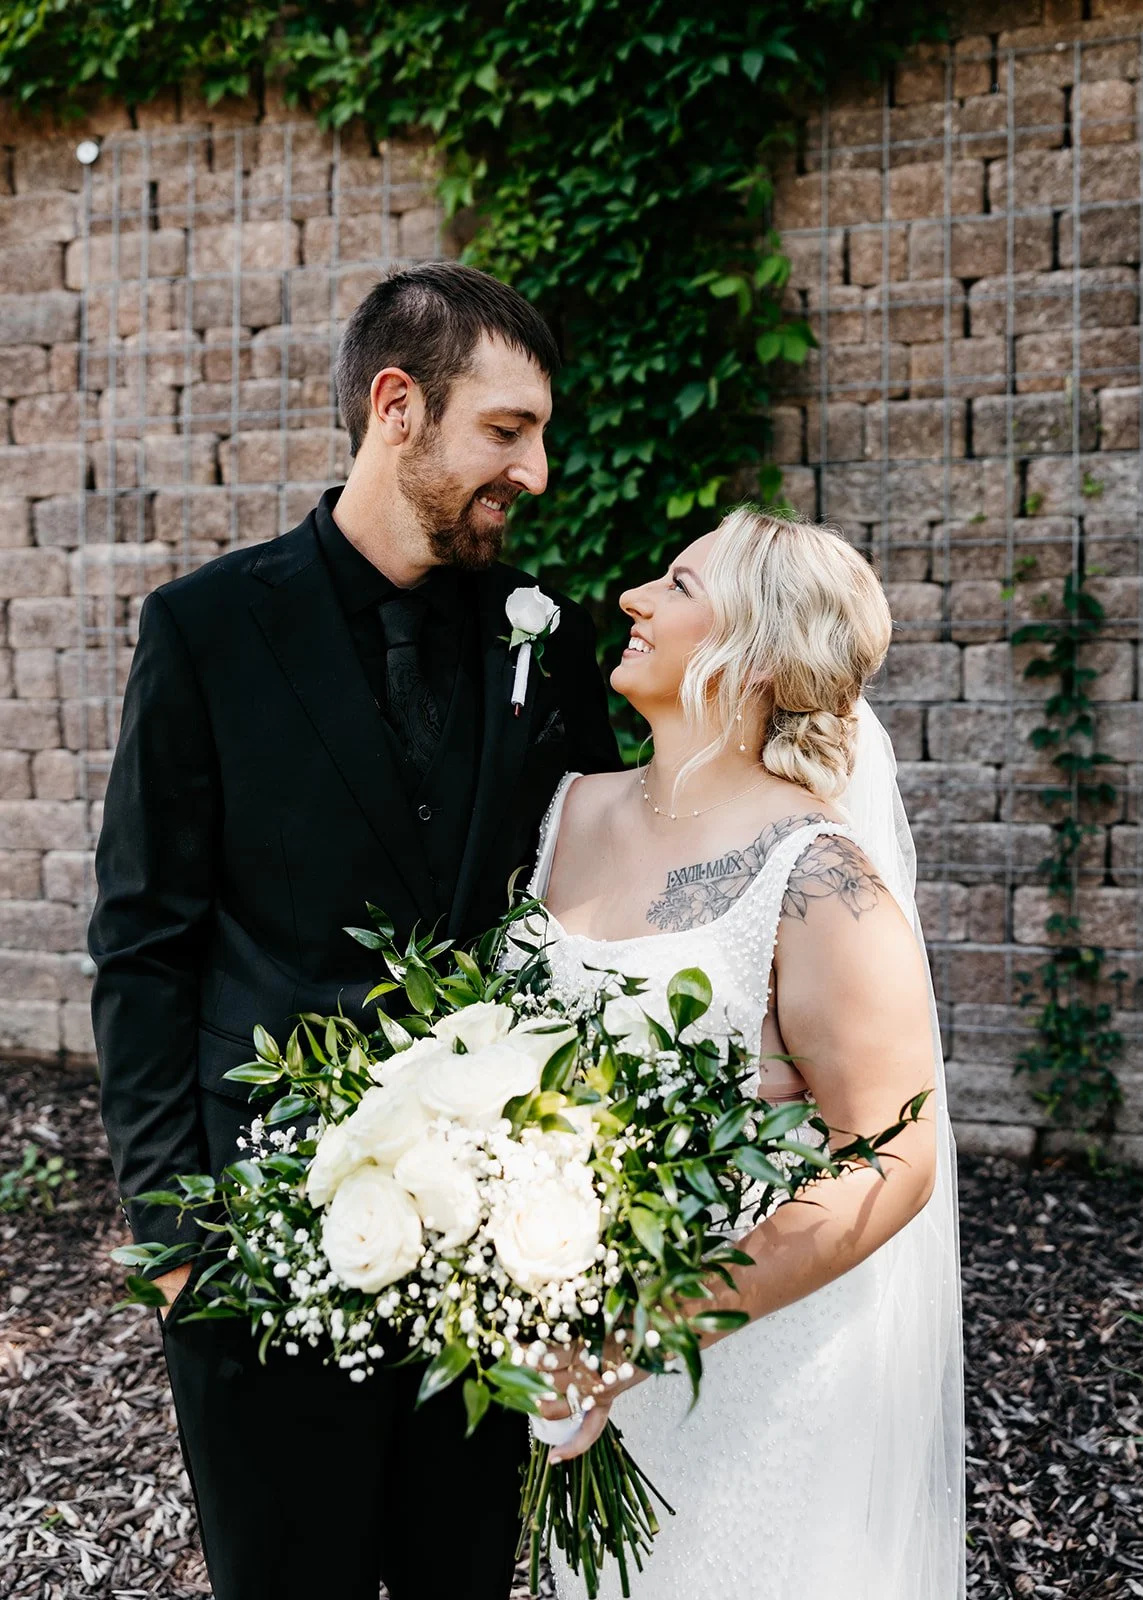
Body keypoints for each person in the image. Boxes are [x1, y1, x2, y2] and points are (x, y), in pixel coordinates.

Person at [88, 261, 621, 1600]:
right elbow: (145, 944)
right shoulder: (205, 632)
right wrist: (172, 1240)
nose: (537, 471)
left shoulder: (542, 648)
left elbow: (598, 919)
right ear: (398, 406)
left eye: (539, 435)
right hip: (261, 1246)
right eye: (507, 431)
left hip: (494, 1250)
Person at [523, 507, 966, 1599]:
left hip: (745, 1364)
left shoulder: (821, 879)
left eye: (676, 585)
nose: (632, 597)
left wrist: (647, 1328)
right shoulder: (564, 809)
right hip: (565, 1336)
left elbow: (894, 1155)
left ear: (759, 652)